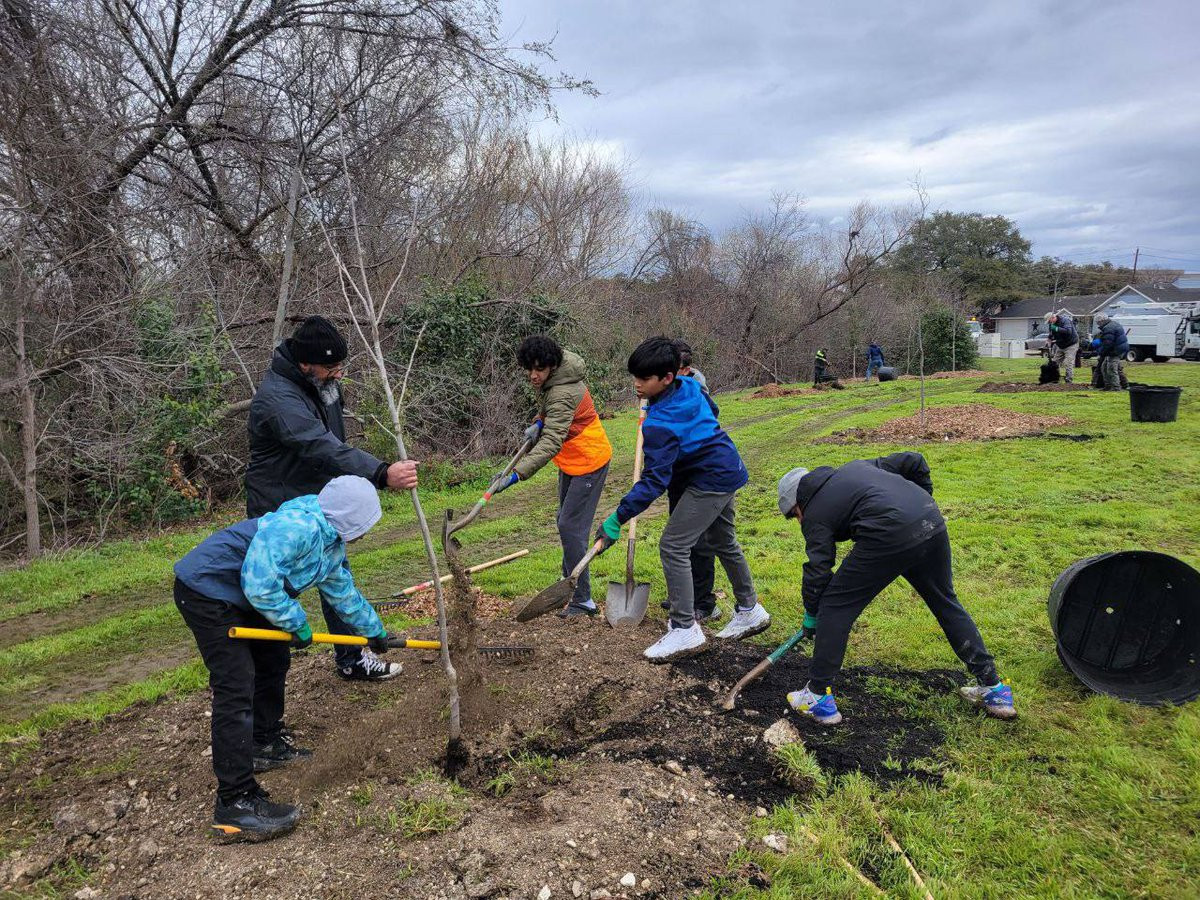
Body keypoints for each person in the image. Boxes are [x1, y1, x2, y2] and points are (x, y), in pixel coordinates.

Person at [174, 476, 395, 841]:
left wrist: (373, 630)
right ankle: (235, 803)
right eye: (365, 524)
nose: (365, 533)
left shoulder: (329, 542)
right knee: (235, 686)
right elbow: (260, 584)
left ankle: (262, 742)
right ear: (350, 518)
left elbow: (342, 590)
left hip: (245, 595)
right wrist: (296, 622)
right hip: (208, 590)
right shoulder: (298, 528)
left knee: (274, 661)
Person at [775, 454, 1015, 726]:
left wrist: (813, 613)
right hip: (929, 521)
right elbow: (915, 461)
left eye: (794, 515)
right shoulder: (858, 467)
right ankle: (994, 689)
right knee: (945, 601)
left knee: (835, 607)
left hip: (887, 535)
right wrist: (918, 503)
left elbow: (818, 571)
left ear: (798, 503)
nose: (798, 521)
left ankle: (817, 696)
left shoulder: (814, 511)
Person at [245, 315, 418, 681]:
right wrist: (380, 472)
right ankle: (258, 675)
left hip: (317, 502)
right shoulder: (278, 400)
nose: (339, 374)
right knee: (270, 587)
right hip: (279, 510)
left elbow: (335, 442)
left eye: (341, 365)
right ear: (305, 364)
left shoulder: (322, 384)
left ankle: (352, 659)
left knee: (336, 576)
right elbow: (320, 445)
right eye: (331, 367)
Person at [594, 337, 770, 661]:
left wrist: (617, 517)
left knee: (673, 545)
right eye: (634, 377)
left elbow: (654, 482)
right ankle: (749, 609)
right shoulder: (690, 385)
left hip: (709, 480)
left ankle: (684, 628)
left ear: (667, 378)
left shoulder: (660, 424)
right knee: (723, 540)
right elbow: (713, 411)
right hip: (728, 465)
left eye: (644, 379)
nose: (636, 385)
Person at [492, 336, 612, 618]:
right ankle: (567, 582)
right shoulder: (556, 377)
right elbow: (551, 408)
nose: (533, 375)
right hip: (572, 460)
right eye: (529, 369)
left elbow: (551, 441)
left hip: (589, 460)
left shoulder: (563, 391)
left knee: (571, 527)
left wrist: (516, 474)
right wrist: (539, 421)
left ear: (552, 365)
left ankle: (582, 599)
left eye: (540, 369)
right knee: (564, 521)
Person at [671, 338, 720, 622]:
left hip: (698, 470)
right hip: (678, 469)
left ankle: (704, 601)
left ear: (684, 370)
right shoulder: (667, 386)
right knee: (677, 534)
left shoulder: (696, 388)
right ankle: (683, 594)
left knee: (700, 540)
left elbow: (709, 419)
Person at [1093, 313, 1129, 391]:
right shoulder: (1112, 324)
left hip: (1115, 351)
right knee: (1105, 367)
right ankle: (1112, 385)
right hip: (1117, 349)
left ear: (1101, 321)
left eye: (1098, 322)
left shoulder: (1108, 328)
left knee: (1111, 369)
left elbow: (1108, 344)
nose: (1098, 324)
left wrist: (1101, 352)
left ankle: (1116, 387)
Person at [1044, 311, 1080, 384]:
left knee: (1068, 363)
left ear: (1053, 318)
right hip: (1061, 345)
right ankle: (1054, 379)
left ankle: (1068, 381)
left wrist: (1056, 328)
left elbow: (1068, 331)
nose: (1049, 323)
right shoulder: (1052, 325)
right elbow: (1051, 333)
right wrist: (1049, 339)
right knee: (1055, 362)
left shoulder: (1065, 321)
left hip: (1071, 344)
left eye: (1049, 321)